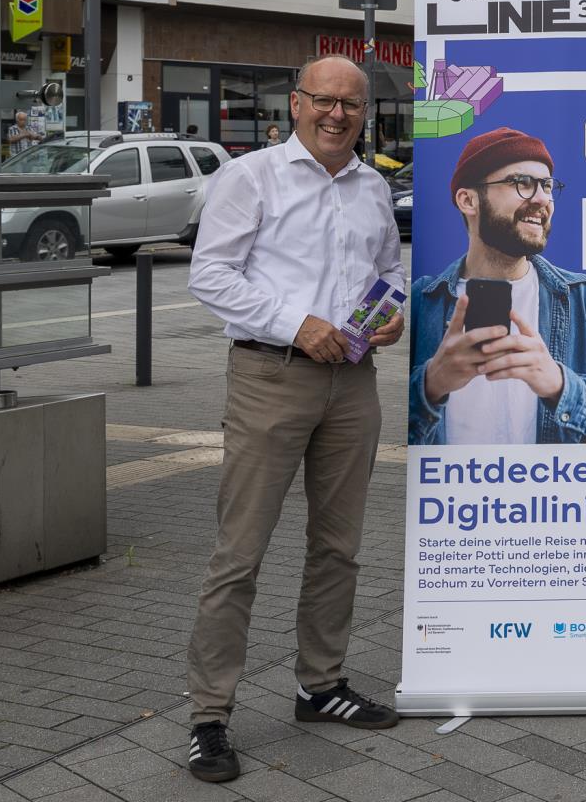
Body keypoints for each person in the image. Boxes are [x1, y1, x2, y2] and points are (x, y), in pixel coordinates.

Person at [182, 56, 405, 784]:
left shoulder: (372, 186)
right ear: (297, 104)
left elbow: (390, 269)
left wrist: (391, 311)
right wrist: (295, 323)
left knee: (338, 548)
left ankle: (321, 685)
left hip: (354, 382)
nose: (337, 114)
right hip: (271, 377)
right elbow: (210, 274)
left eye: (351, 104)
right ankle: (209, 715)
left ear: (364, 113)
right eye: (323, 100)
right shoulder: (251, 177)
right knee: (240, 553)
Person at [409, 127, 586, 445]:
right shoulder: (423, 302)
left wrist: (561, 386)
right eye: (523, 183)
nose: (543, 199)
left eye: (547, 186)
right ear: (468, 200)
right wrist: (430, 384)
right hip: (452, 480)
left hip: (548, 481)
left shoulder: (584, 300)